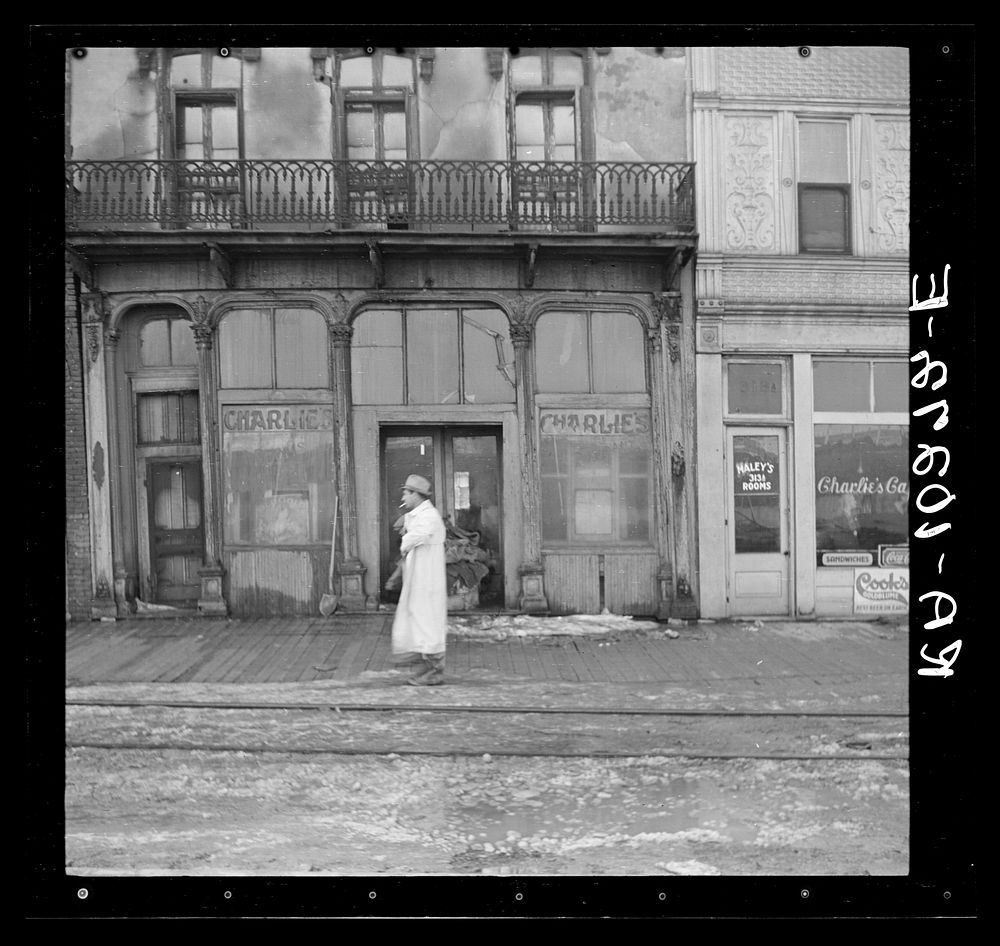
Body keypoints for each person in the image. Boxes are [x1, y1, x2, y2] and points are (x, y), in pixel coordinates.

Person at [385, 474, 448, 686]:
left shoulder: (428, 516)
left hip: (427, 582)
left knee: (427, 624)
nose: (403, 495)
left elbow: (415, 537)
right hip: (420, 580)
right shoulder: (419, 514)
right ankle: (424, 671)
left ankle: (433, 673)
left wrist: (406, 531)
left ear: (415, 494)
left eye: (406, 492)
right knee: (420, 622)